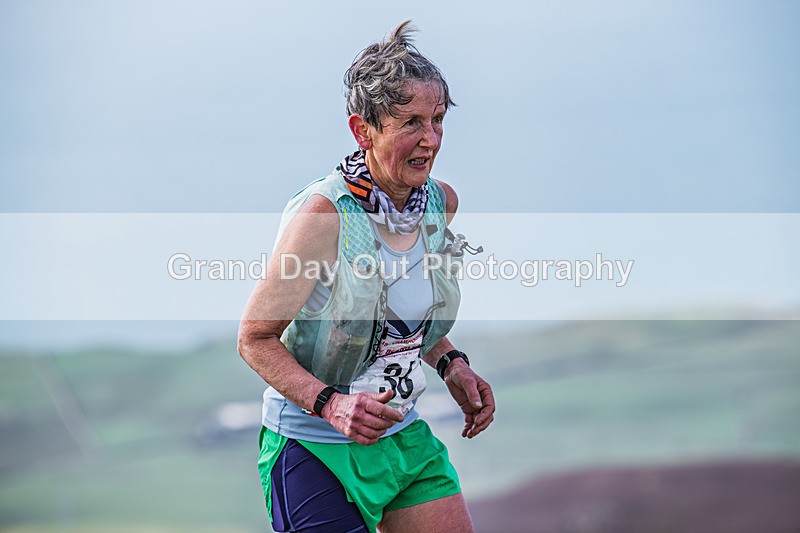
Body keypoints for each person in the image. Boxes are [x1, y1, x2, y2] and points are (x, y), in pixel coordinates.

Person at [238, 20, 495, 533]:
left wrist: (452, 364)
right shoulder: (324, 216)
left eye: (438, 120)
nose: (430, 139)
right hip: (316, 449)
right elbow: (254, 339)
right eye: (410, 123)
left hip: (404, 442)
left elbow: (403, 320)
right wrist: (332, 405)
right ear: (363, 130)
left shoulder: (439, 204)